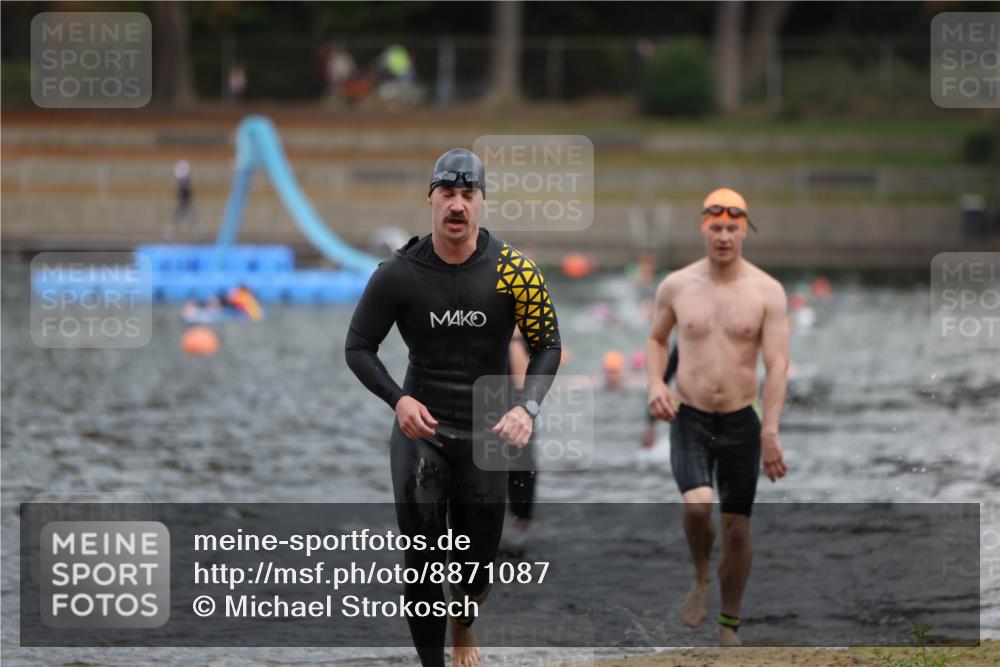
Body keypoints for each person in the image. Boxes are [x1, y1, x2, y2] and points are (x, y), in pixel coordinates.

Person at [345, 148, 562, 667]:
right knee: (421, 558)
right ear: (431, 200)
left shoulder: (516, 272)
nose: (457, 206)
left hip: (489, 435)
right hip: (422, 430)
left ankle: (464, 623)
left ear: (482, 203)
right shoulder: (399, 272)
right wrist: (397, 400)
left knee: (474, 571)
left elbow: (548, 344)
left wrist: (526, 409)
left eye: (468, 195)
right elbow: (357, 347)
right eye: (448, 194)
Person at [645, 187, 789, 646]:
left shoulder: (768, 291)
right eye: (716, 228)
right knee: (696, 503)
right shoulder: (676, 285)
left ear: (743, 231)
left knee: (737, 527)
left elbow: (778, 365)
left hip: (741, 420)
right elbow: (655, 341)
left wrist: (770, 431)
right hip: (690, 415)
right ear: (703, 229)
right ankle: (702, 577)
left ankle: (729, 625)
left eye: (732, 228)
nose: (724, 236)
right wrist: (654, 385)